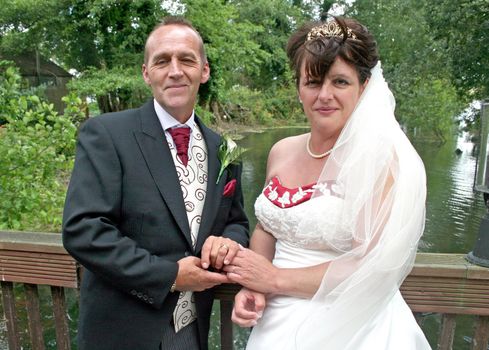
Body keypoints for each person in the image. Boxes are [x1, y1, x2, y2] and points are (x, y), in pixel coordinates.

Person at [226, 16, 431, 349]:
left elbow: (374, 266)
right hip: (274, 321)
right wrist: (255, 285)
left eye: (339, 82)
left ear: (363, 87)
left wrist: (274, 279)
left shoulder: (382, 161)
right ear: (298, 88)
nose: (324, 95)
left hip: (351, 325)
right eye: (312, 82)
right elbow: (267, 228)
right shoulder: (281, 151)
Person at [62, 16, 249, 350]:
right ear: (147, 73)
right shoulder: (106, 134)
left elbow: (236, 222)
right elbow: (83, 229)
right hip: (123, 331)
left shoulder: (226, 150)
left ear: (203, 71)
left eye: (186, 59)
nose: (175, 70)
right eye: (162, 61)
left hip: (192, 330)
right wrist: (169, 276)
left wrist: (228, 242)